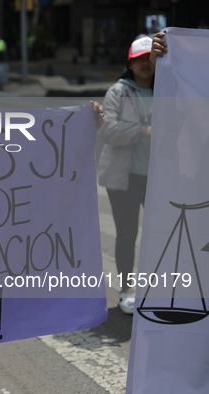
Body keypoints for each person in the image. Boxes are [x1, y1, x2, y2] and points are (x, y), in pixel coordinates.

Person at [97, 36, 157, 315]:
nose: (145, 64)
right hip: (125, 177)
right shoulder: (119, 91)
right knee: (127, 234)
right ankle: (126, 290)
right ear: (130, 63)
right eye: (139, 59)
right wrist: (144, 131)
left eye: (150, 58)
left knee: (160, 234)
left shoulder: (167, 90)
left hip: (158, 177)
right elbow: (108, 130)